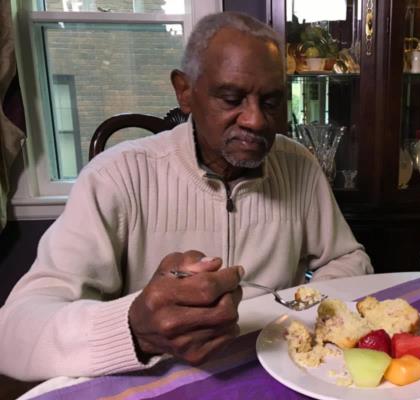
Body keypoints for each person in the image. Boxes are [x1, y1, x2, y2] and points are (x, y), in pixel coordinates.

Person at [0, 11, 372, 381]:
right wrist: (135, 328)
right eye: (231, 98)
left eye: (272, 102)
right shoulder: (116, 177)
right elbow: (13, 334)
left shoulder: (298, 165)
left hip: (278, 374)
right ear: (185, 91)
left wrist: (298, 308)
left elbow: (349, 259)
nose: (256, 121)